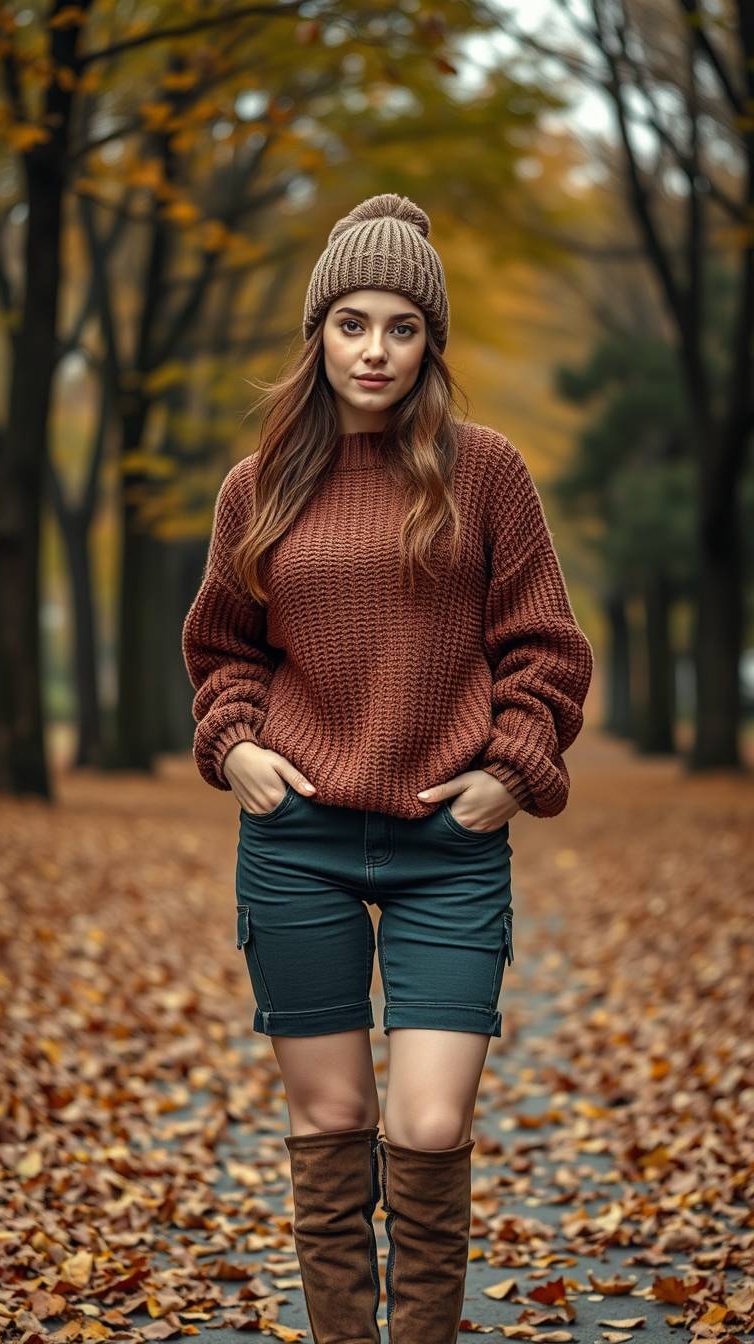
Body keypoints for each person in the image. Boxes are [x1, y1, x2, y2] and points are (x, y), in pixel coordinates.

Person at [182, 192, 594, 1344]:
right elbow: (223, 647)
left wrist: (512, 769)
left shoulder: (488, 471)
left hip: (446, 846)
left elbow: (545, 645)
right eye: (353, 322)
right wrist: (239, 744)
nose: (375, 349)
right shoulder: (255, 485)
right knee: (329, 1114)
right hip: (297, 840)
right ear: (318, 332)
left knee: (423, 1121)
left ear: (432, 343)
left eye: (402, 326)